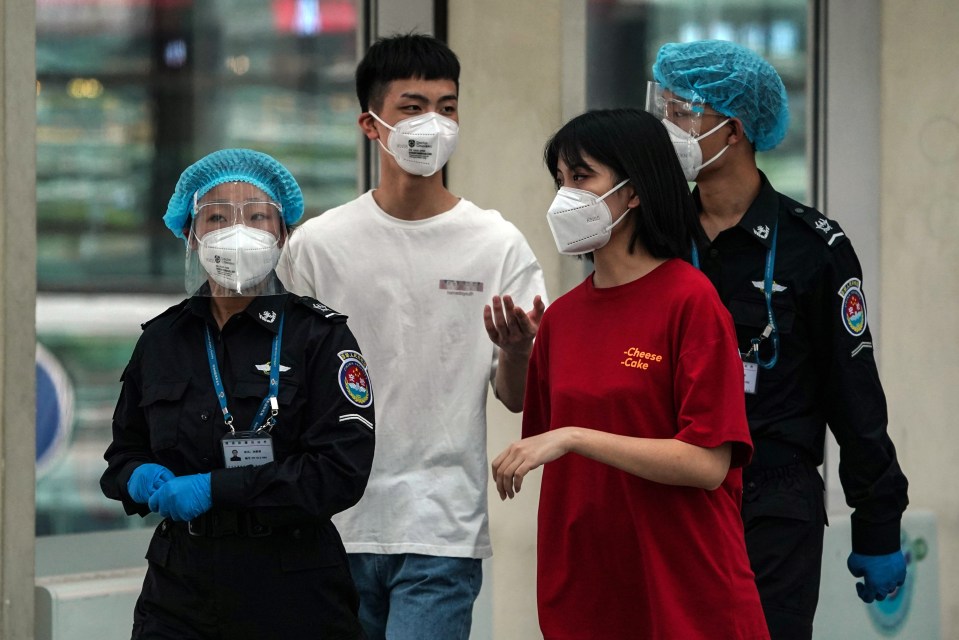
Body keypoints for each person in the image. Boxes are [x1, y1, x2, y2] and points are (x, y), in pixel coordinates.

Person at [275, 34, 546, 640]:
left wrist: (520, 350)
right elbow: (281, 383)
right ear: (371, 124)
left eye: (447, 107)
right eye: (413, 105)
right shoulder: (318, 246)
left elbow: (518, 397)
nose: (434, 123)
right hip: (332, 522)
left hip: (440, 528)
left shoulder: (497, 244)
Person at [648, 39, 909, 639]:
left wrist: (878, 521)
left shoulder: (814, 247)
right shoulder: (654, 240)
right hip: (672, 492)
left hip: (773, 501)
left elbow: (856, 396)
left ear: (733, 129)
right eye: (663, 109)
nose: (668, 127)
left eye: (682, 112)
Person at [491, 108, 769, 640]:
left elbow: (708, 463)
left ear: (634, 191)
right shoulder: (563, 318)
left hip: (684, 591)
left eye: (581, 176)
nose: (564, 196)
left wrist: (575, 436)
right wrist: (515, 352)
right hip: (587, 591)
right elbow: (528, 416)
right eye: (559, 181)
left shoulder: (690, 300)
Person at [100, 148, 375, 640]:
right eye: (218, 216)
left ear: (283, 232)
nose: (237, 229)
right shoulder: (162, 340)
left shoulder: (320, 337)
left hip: (294, 588)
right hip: (179, 590)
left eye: (257, 216)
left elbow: (339, 472)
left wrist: (215, 488)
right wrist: (136, 475)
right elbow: (123, 452)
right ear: (191, 233)